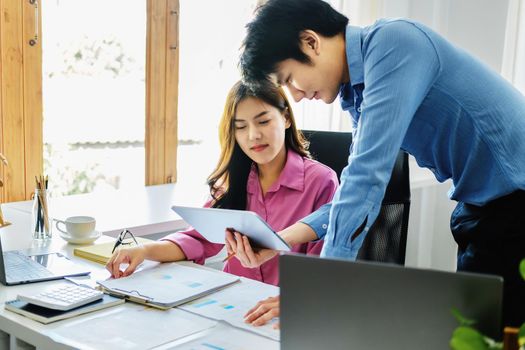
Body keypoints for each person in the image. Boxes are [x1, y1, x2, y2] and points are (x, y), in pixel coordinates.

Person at [232, 0, 525, 327]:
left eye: (288, 79)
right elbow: (353, 194)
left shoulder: (394, 45)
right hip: (484, 205)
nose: (295, 95)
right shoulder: (359, 91)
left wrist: (318, 288)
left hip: (515, 201)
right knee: (475, 331)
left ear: (311, 42)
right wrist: (278, 241)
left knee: (487, 333)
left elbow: (365, 181)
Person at [106, 80, 338, 291]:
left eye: (264, 121)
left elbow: (322, 265)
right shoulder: (233, 180)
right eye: (241, 127)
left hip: (287, 307)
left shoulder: (320, 182)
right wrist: (144, 251)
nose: (253, 135)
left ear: (286, 118)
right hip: (233, 301)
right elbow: (197, 239)